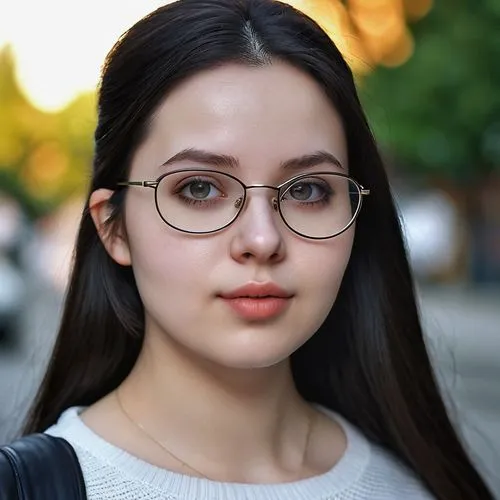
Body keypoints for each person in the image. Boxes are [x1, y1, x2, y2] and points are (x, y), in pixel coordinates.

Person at [19, 0, 493, 498]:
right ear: (114, 228)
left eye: (307, 190)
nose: (263, 241)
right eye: (199, 189)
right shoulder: (33, 487)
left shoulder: (414, 489)